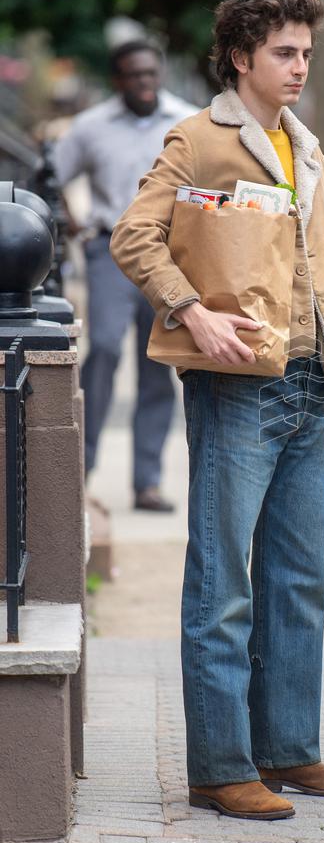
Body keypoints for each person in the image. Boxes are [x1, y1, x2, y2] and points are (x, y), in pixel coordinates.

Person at [109, 0, 324, 821]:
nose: (299, 68)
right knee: (225, 581)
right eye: (285, 53)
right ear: (240, 57)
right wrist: (190, 313)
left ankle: (289, 751)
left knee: (298, 580)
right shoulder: (197, 141)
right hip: (236, 388)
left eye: (305, 53)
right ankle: (221, 768)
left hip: (309, 379)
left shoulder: (309, 146)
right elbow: (133, 236)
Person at [55, 40, 198, 512]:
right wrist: (72, 223)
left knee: (158, 363)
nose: (144, 83)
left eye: (151, 74)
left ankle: (147, 483)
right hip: (111, 253)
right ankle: (81, 474)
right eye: (134, 76)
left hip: (171, 257)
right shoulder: (91, 127)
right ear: (118, 80)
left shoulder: (187, 121)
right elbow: (49, 177)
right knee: (107, 351)